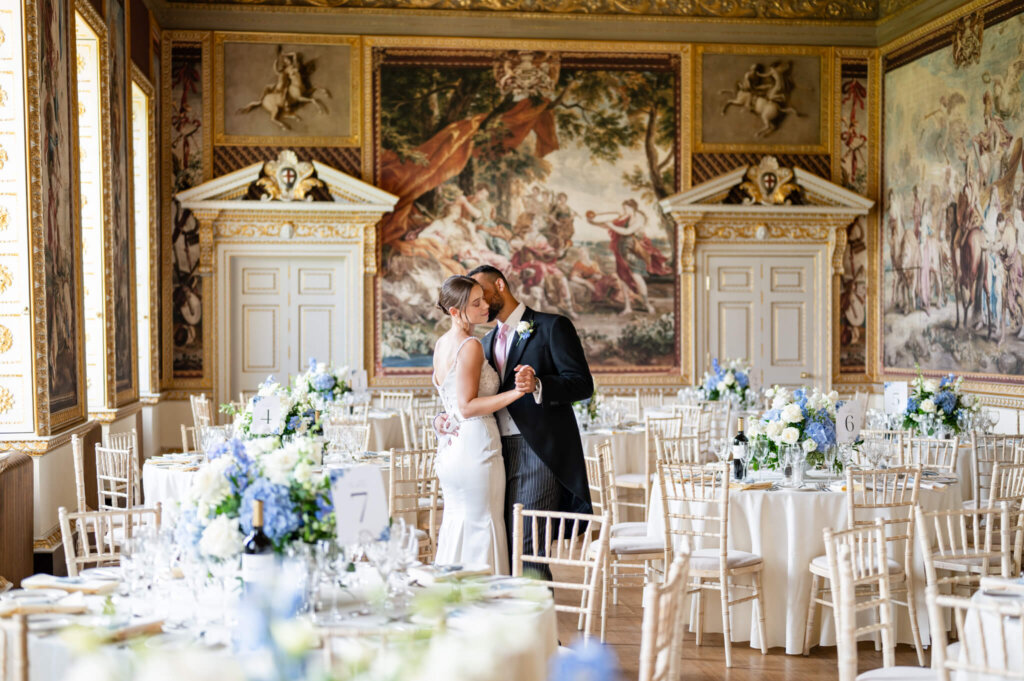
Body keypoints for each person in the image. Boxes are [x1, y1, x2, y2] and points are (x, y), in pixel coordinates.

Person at [464, 265, 594, 580]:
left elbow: (582, 384)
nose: (479, 302)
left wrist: (538, 383)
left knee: (529, 544)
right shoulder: (484, 343)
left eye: (483, 293)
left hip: (539, 450)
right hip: (494, 453)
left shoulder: (552, 327)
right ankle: (516, 625)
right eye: (473, 299)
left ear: (500, 284)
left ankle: (541, 630)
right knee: (504, 543)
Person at [431, 276, 525, 574]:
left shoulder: (441, 345)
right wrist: (517, 392)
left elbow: (450, 403)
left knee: (457, 521)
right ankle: (487, 601)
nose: (485, 306)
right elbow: (467, 406)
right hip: (477, 446)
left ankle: (452, 598)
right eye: (476, 303)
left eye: (483, 299)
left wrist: (439, 420)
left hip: (451, 447)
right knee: (484, 522)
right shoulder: (470, 345)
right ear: (455, 312)